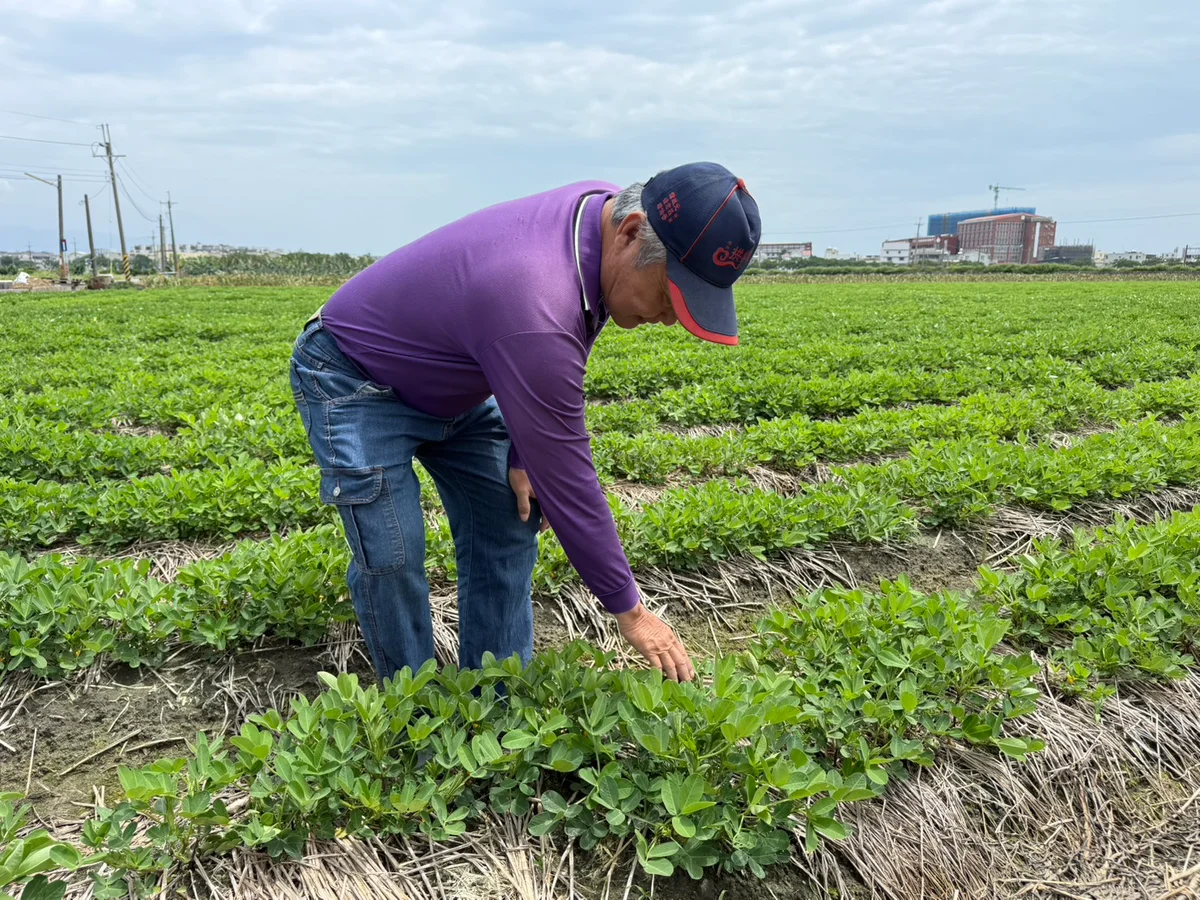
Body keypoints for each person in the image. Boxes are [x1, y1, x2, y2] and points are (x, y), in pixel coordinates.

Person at [289, 161, 760, 683]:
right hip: (354, 377)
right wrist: (631, 611)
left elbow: (572, 328)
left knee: (510, 524)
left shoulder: (603, 216)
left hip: (459, 377)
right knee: (392, 555)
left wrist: (523, 453)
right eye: (671, 296)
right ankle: (409, 707)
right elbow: (568, 477)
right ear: (631, 233)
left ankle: (496, 697)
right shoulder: (535, 292)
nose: (671, 318)